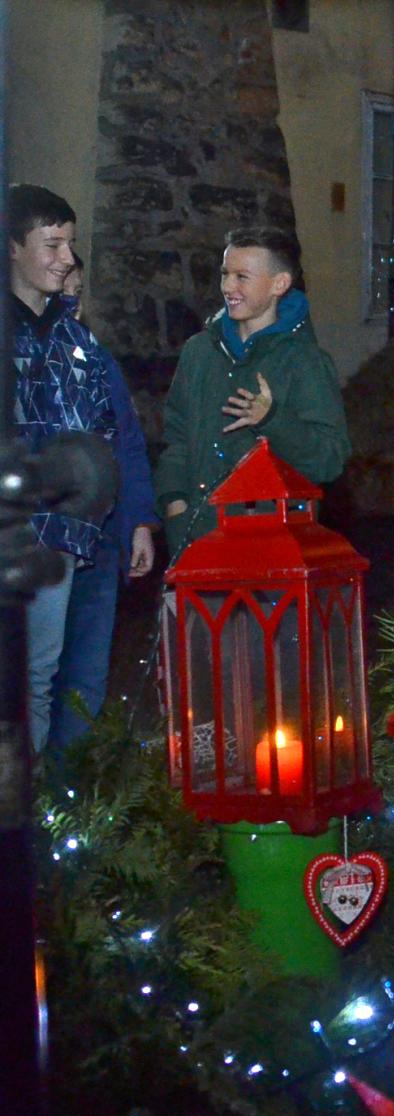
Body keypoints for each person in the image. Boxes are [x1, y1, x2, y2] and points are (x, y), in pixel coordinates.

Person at [7, 183, 157, 751]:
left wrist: (133, 517)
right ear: (13, 248)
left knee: (40, 678)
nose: (67, 258)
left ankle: (37, 796)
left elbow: (117, 434)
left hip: (63, 538)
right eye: (52, 244)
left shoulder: (80, 345)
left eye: (69, 244)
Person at [157, 225, 350, 558]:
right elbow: (176, 437)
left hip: (271, 549)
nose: (227, 287)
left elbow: (329, 460)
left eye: (242, 277)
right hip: (196, 540)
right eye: (225, 274)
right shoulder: (199, 352)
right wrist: (175, 506)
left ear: (279, 284)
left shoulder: (305, 361)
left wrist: (273, 420)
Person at [46, 254, 160, 752]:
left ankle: (71, 782)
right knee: (38, 670)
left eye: (77, 292)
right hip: (45, 540)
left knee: (85, 675)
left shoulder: (97, 360)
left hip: (101, 540)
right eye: (61, 291)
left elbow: (127, 443)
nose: (71, 302)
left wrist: (139, 522)